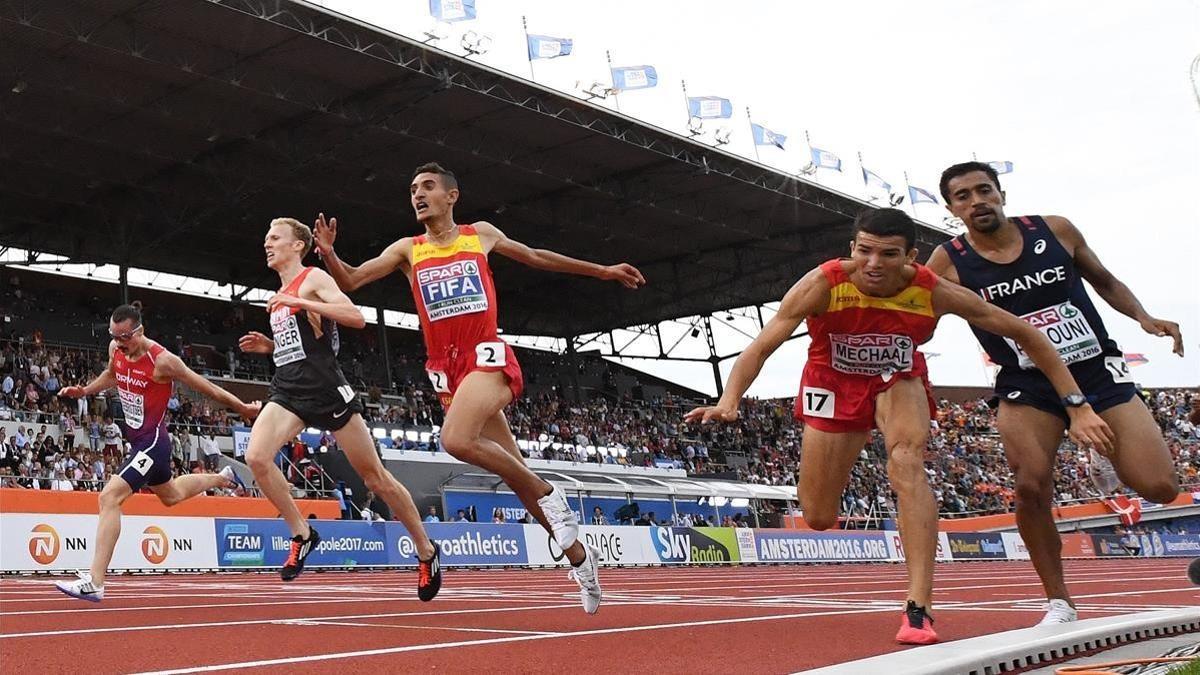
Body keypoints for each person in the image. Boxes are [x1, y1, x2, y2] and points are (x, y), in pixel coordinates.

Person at [686, 208, 1113, 645]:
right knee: (817, 515)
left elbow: (1025, 332)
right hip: (832, 383)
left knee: (906, 462)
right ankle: (897, 581)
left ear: (911, 256)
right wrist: (729, 400)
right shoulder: (824, 284)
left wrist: (1076, 405)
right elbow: (761, 346)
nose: (873, 264)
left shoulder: (932, 290)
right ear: (851, 249)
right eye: (864, 251)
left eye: (888, 254)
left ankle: (919, 608)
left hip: (898, 376)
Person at [313, 162, 646, 614]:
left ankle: (552, 495)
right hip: (447, 369)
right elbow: (352, 279)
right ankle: (581, 560)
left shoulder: (480, 234)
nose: (418, 194)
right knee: (515, 475)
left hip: (485, 355)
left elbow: (537, 255)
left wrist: (602, 270)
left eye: (428, 187)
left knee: (455, 439)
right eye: (412, 188)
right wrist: (330, 254)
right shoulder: (407, 250)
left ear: (452, 196)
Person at [926, 162, 1182, 625]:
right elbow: (920, 323)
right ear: (951, 208)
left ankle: (1112, 453)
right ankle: (1059, 601)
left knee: (1161, 487)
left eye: (984, 190)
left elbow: (1103, 281)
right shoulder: (947, 262)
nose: (976, 200)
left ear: (1001, 193)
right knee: (1029, 484)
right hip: (1026, 386)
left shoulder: (1056, 230)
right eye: (963, 196)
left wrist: (1143, 317)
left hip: (1096, 373)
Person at [237, 218, 441, 600]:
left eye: (275, 238)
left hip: (328, 391)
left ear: (298, 245)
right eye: (265, 238)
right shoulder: (280, 293)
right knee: (258, 457)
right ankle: (302, 533)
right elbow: (303, 343)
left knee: (376, 479)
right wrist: (272, 346)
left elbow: (355, 317)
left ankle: (427, 551)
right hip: (289, 389)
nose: (267, 244)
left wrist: (298, 301)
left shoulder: (312, 279)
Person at [53, 304, 260, 602]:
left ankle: (95, 582)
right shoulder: (116, 349)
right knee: (171, 495)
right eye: (115, 336)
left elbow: (206, 388)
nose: (119, 342)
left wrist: (241, 408)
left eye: (125, 337)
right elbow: (111, 375)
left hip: (153, 442)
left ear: (140, 330)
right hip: (137, 440)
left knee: (109, 497)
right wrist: (85, 391)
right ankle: (221, 478)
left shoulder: (163, 361)